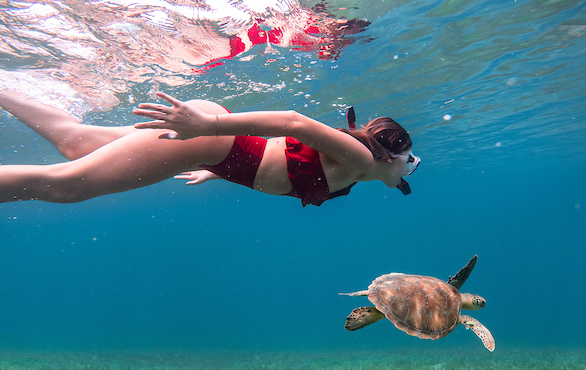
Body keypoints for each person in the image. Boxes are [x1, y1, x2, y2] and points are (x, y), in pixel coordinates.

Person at [0, 90, 419, 206]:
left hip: (211, 147)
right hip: (206, 136)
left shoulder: (353, 174)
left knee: (77, 144)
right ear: (391, 155)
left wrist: (216, 166)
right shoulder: (359, 158)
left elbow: (273, 159)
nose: (410, 171)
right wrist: (207, 128)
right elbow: (293, 123)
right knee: (67, 186)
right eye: (411, 161)